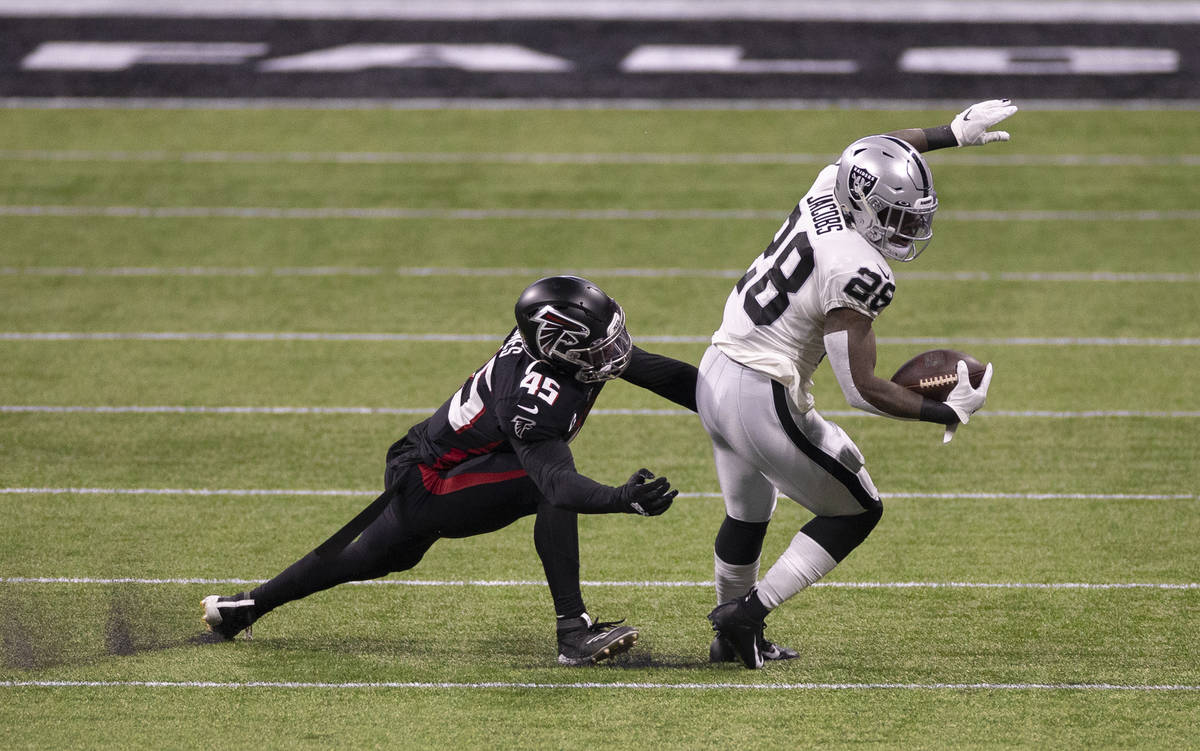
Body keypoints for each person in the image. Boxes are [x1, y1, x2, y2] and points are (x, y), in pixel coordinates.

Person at [202, 275, 698, 666]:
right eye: (597, 349)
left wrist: (746, 409)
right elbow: (557, 485)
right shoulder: (532, 395)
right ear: (555, 349)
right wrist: (619, 497)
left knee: (375, 557)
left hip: (430, 462)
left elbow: (664, 374)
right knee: (542, 490)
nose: (613, 355)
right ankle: (573, 631)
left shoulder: (561, 351)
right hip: (431, 479)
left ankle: (243, 609)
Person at [700, 100, 1016, 668]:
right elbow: (860, 387)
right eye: (896, 218)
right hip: (760, 393)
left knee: (748, 512)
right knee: (858, 509)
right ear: (866, 209)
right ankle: (747, 613)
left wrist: (950, 134)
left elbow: (866, 150)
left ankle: (730, 638)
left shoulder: (830, 185)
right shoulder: (858, 268)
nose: (909, 229)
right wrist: (946, 412)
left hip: (717, 369)